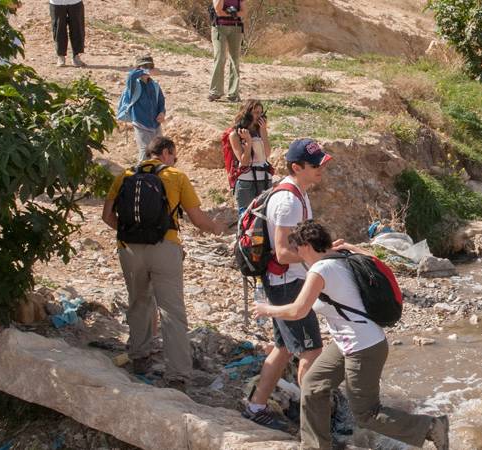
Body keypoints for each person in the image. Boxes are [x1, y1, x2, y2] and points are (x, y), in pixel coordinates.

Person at [254, 220, 450, 450]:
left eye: (297, 248)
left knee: (366, 414)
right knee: (313, 384)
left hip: (363, 347)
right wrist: (350, 246)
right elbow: (375, 262)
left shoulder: (320, 269)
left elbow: (298, 311)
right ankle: (316, 445)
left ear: (306, 245)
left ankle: (430, 426)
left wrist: (267, 309)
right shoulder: (342, 257)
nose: (297, 254)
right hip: (346, 342)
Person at [101, 136, 224, 390]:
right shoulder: (176, 177)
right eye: (174, 155)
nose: (175, 160)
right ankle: (178, 376)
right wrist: (215, 228)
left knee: (138, 302)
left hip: (129, 250)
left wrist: (129, 234)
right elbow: (198, 218)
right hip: (165, 248)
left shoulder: (124, 175)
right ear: (166, 152)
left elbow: (106, 215)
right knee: (172, 313)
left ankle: (139, 357)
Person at [242, 138, 330, 431]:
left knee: (283, 347)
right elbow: (281, 252)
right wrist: (322, 257)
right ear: (297, 167)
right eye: (315, 165)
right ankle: (313, 422)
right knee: (312, 351)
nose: (321, 169)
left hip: (287, 279)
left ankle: (255, 405)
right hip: (285, 282)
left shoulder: (299, 193)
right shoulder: (289, 201)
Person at [116, 56, 167, 162]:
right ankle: (140, 176)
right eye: (144, 66)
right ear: (138, 68)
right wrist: (146, 70)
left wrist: (162, 112)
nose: (147, 69)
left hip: (155, 124)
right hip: (141, 123)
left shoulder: (155, 85)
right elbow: (131, 76)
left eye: (150, 66)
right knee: (145, 152)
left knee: (159, 151)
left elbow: (161, 101)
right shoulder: (134, 84)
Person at [229, 99, 272, 212]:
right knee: (246, 217)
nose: (259, 116)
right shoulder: (235, 134)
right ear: (247, 113)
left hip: (264, 179)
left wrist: (263, 131)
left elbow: (267, 154)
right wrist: (248, 143)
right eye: (256, 112)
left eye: (261, 112)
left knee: (265, 217)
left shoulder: (261, 130)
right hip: (246, 181)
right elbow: (244, 162)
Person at [208, 0, 244, 102]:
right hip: (219, 28)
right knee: (220, 58)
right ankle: (215, 92)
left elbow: (244, 11)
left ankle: (233, 94)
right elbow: (218, 11)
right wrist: (233, 14)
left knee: (235, 60)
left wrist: (229, 13)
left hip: (236, 28)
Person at [49, 0, 86, 67]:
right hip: (57, 3)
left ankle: (76, 57)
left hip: (75, 2)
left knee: (77, 28)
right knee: (58, 29)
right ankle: (61, 57)